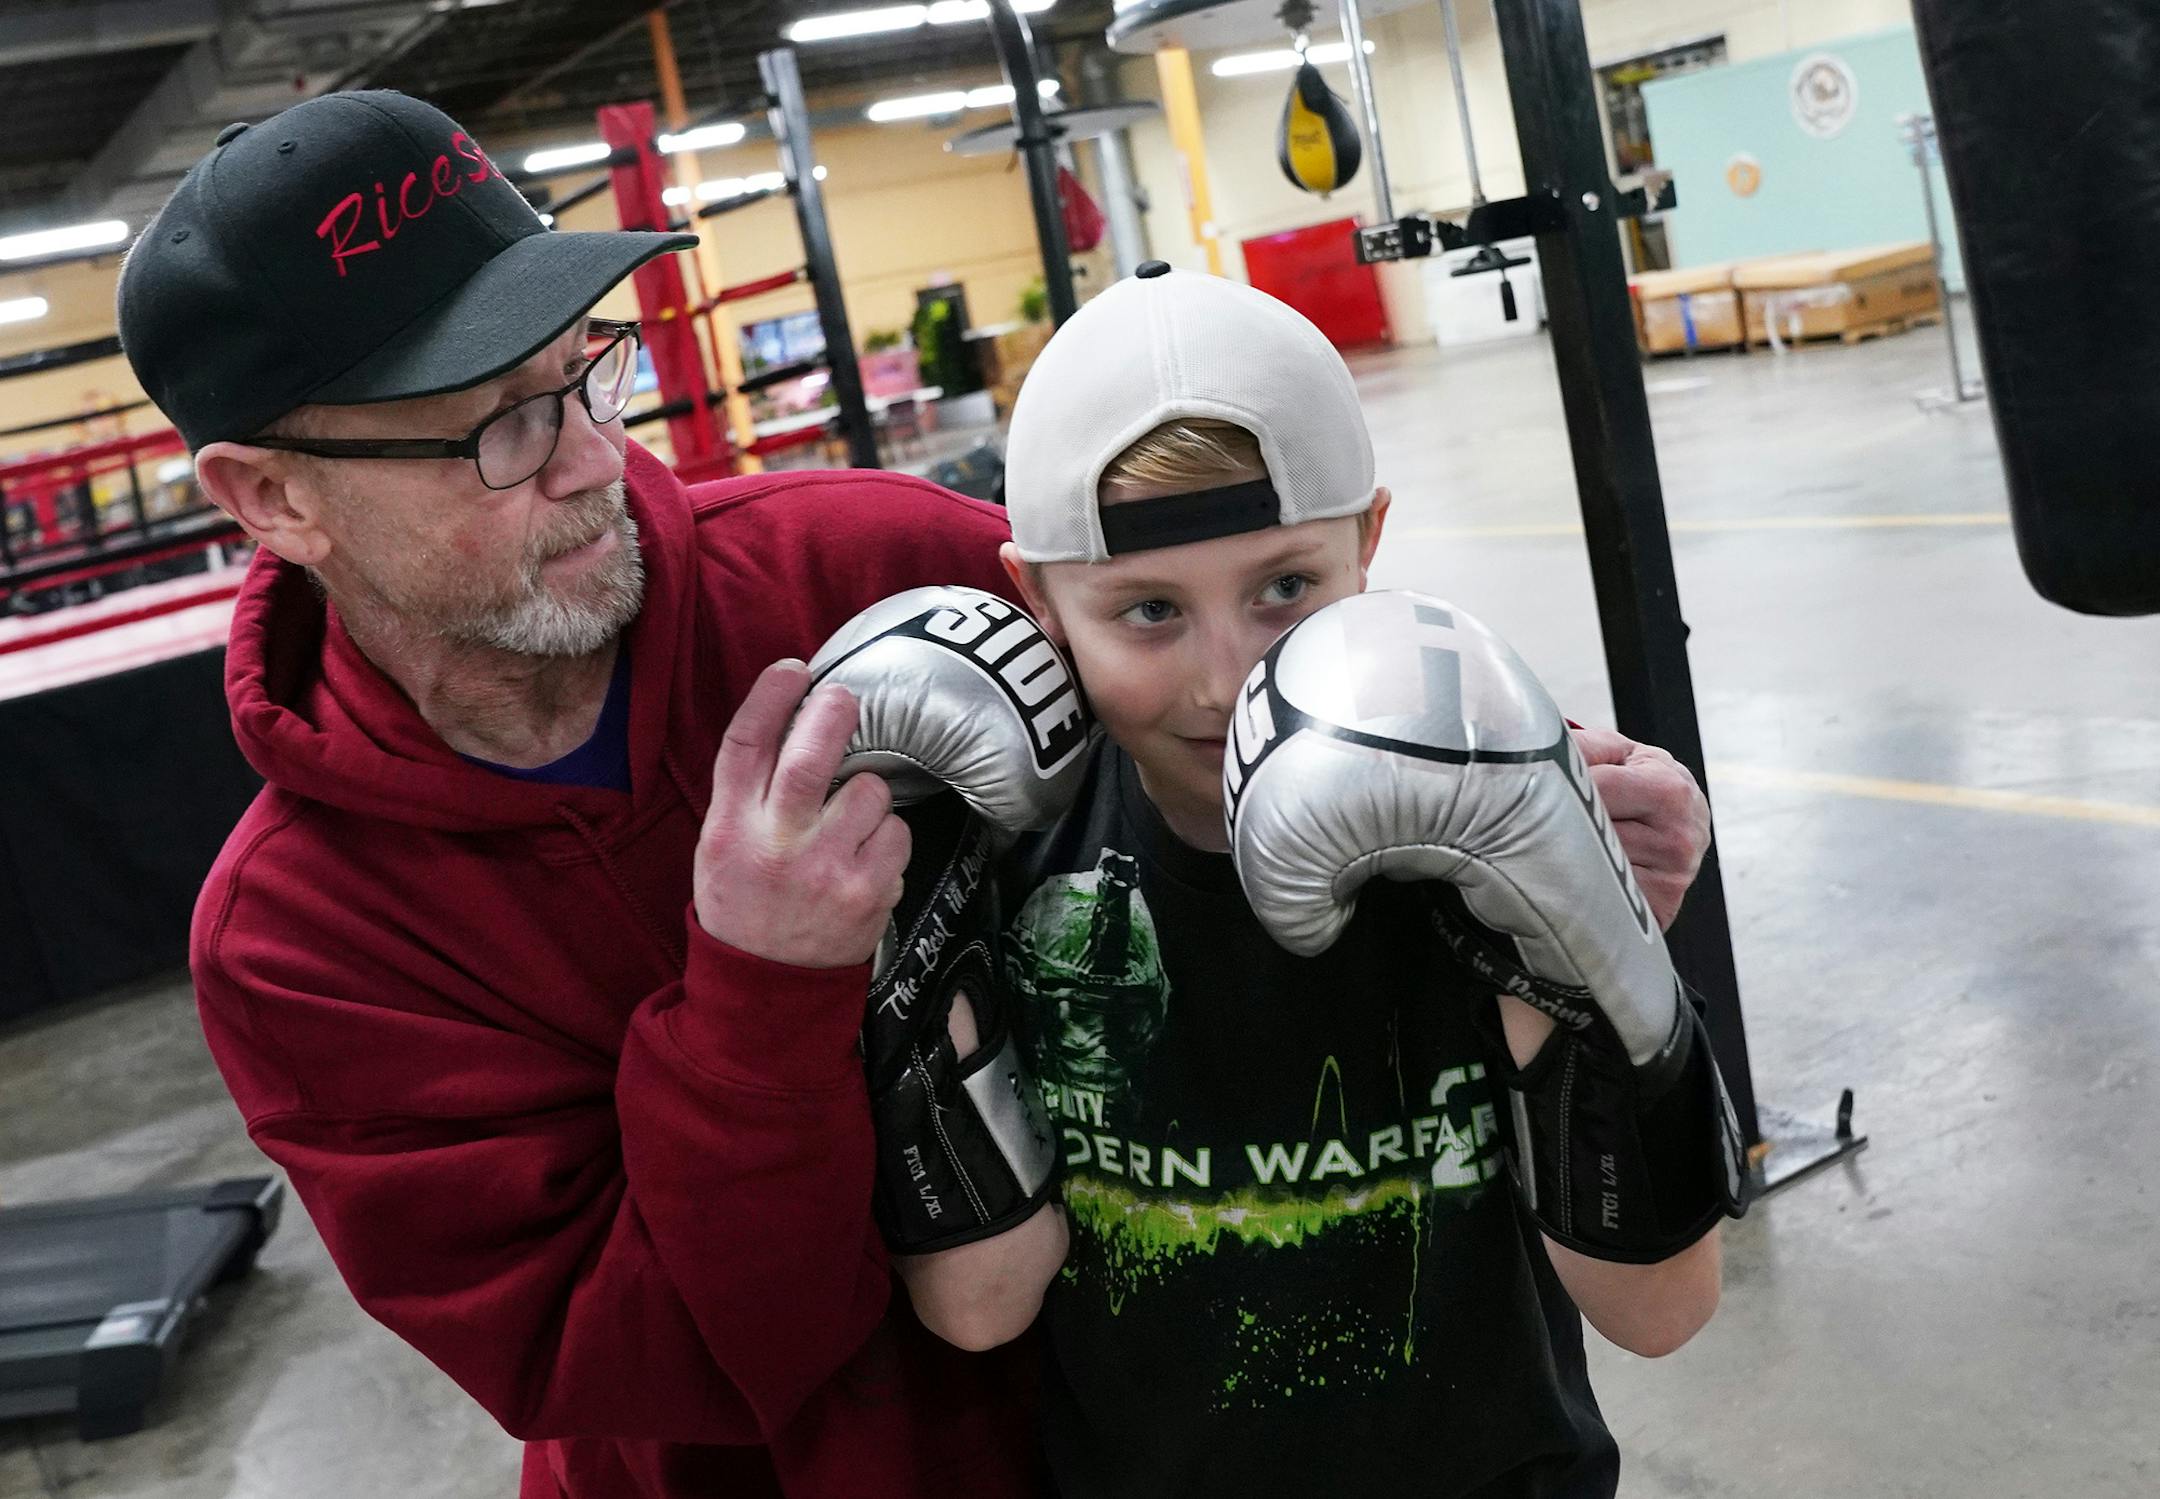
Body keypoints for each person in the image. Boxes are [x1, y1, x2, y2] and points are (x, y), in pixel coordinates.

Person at [115, 87, 1710, 1497]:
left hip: (1110, 1431)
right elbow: (639, 1354)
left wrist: (1551, 810)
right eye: (503, 427)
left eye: (584, 375)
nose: (596, 460)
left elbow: (1250, 680)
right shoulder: (297, 941)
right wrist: (763, 989)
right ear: (275, 496)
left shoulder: (861, 566)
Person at [931, 262, 1734, 1498]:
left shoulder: (1474, 808)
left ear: (1369, 538)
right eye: (1147, 610)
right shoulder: (1011, 852)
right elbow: (978, 1307)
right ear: (1034, 600)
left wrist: (1587, 941)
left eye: (1286, 589)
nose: (1224, 676)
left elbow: (1662, 1307)